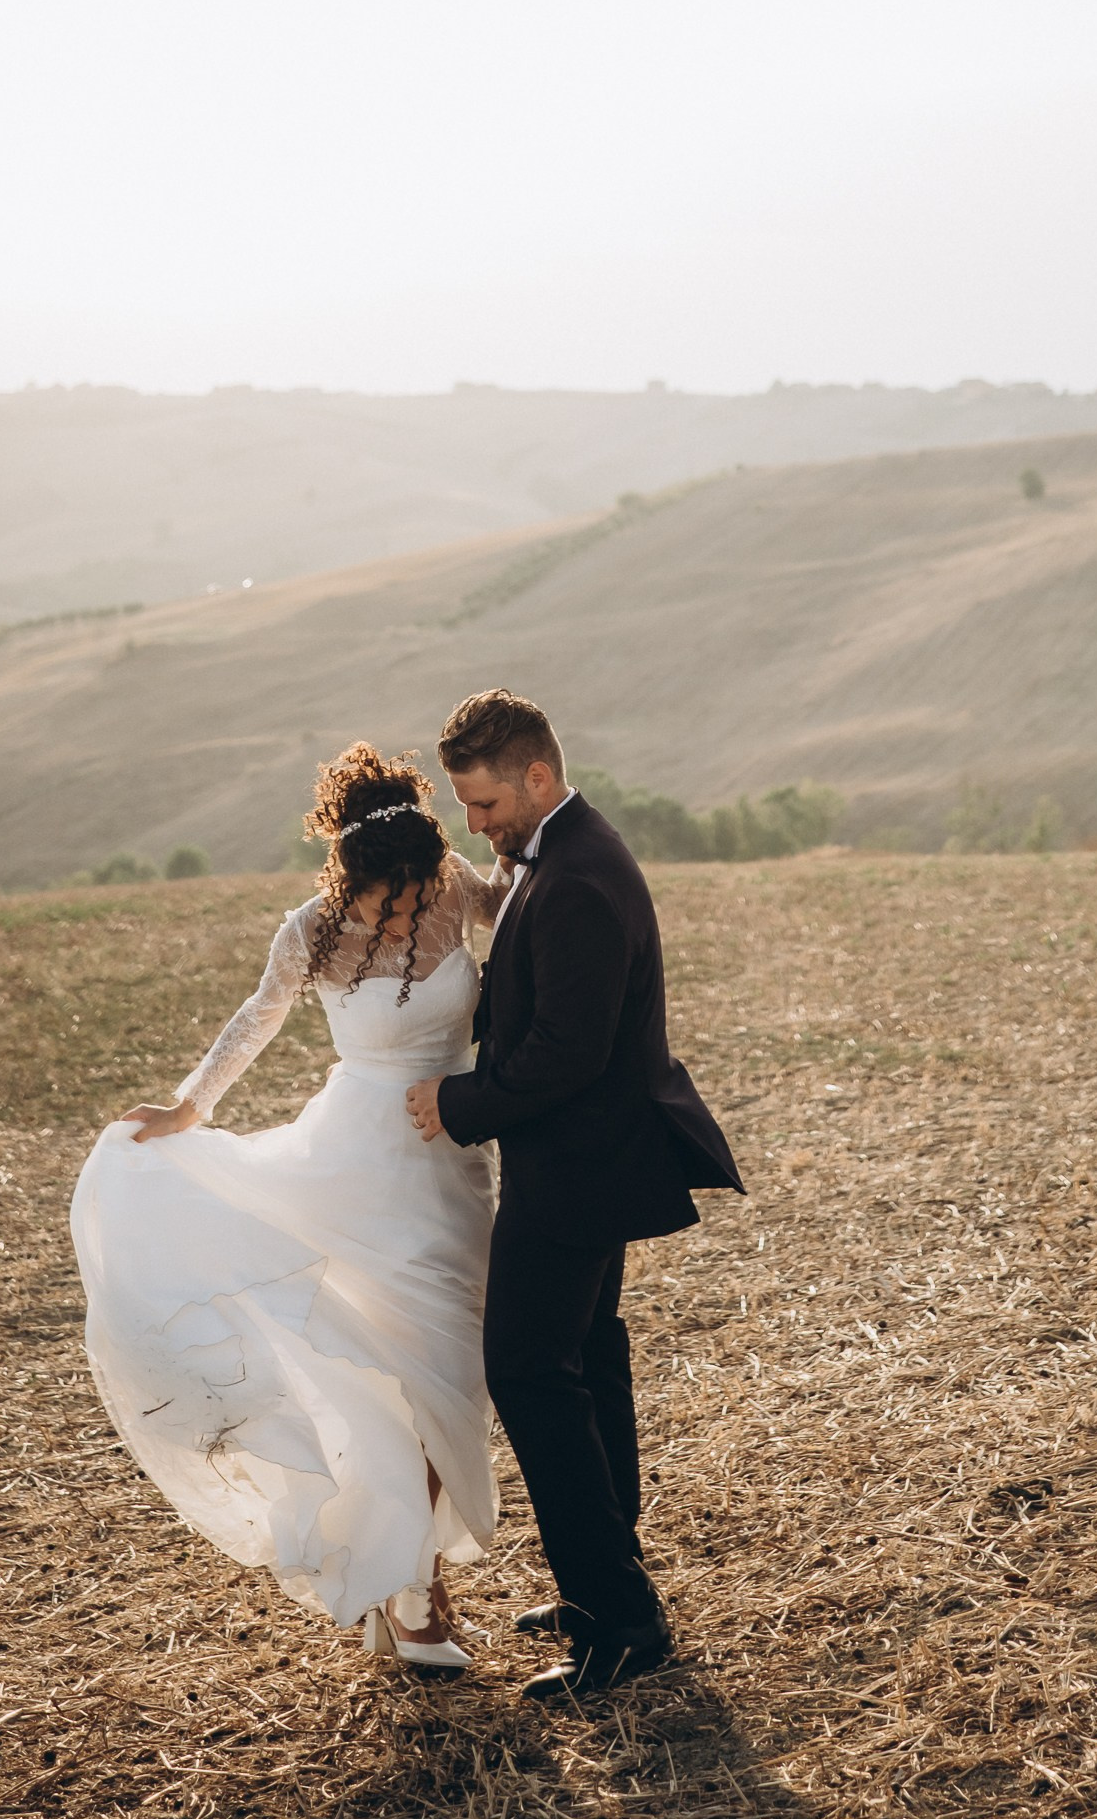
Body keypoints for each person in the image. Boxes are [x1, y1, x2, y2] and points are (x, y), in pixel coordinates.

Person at [69, 745, 505, 1670]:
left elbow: (518, 911)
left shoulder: (452, 881)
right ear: (350, 874)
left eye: (414, 880)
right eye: (386, 886)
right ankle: (416, 1595)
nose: (403, 901)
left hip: (454, 1160)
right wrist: (190, 1106)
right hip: (357, 1166)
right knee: (407, 1378)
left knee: (456, 1378)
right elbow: (257, 1018)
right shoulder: (309, 931)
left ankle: (408, 1582)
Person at [407, 687, 744, 1700]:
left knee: (527, 1371)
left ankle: (619, 1623)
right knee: (589, 1362)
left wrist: (456, 1102)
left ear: (536, 778)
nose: (474, 825)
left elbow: (566, 1052)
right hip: (584, 1160)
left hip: (579, 1167)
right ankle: (611, 1582)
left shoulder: (581, 881)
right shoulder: (560, 857)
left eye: (483, 804)